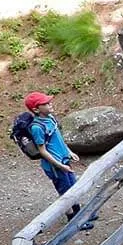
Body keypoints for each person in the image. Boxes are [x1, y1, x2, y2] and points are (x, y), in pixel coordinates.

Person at [23, 91, 95, 230]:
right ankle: (73, 220)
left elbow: (58, 139)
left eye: (49, 102)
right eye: (45, 103)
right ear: (36, 109)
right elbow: (43, 150)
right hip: (55, 166)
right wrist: (60, 166)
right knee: (65, 193)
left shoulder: (50, 119)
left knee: (72, 187)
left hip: (63, 161)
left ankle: (79, 214)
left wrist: (69, 151)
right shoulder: (37, 127)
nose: (50, 104)